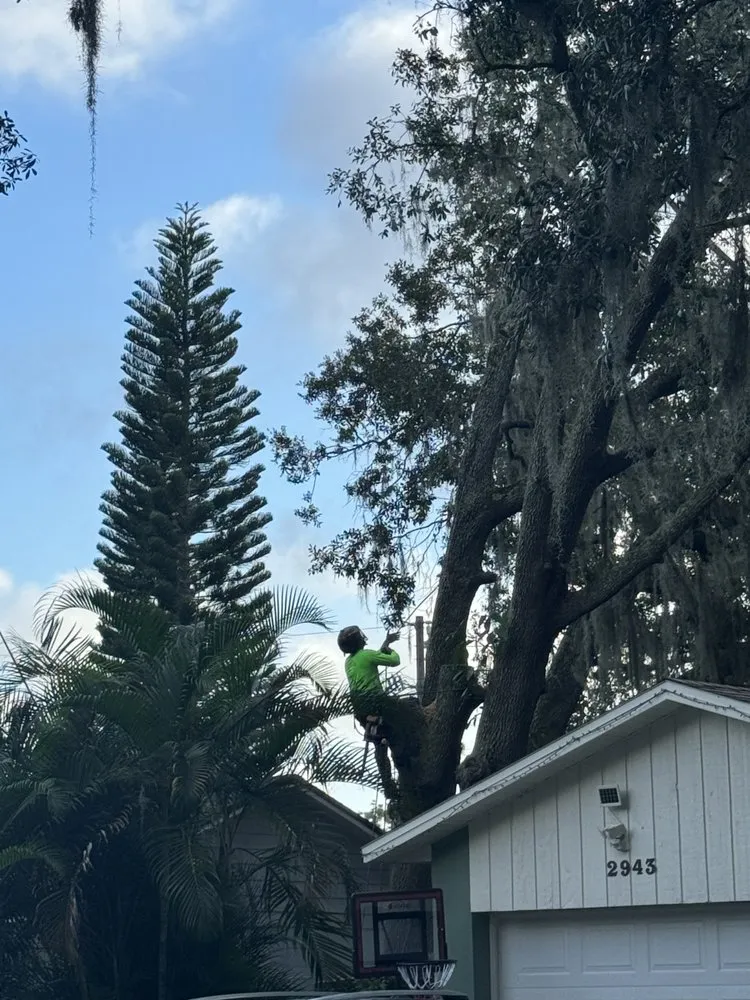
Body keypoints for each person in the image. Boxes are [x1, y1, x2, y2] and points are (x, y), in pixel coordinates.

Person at [338, 625, 400, 744]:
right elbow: (395, 660)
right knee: (409, 706)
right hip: (376, 702)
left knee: (379, 742)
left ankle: (374, 728)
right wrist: (391, 650)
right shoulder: (367, 655)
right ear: (358, 640)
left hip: (359, 707)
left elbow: (375, 657)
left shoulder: (348, 661)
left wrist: (386, 642)